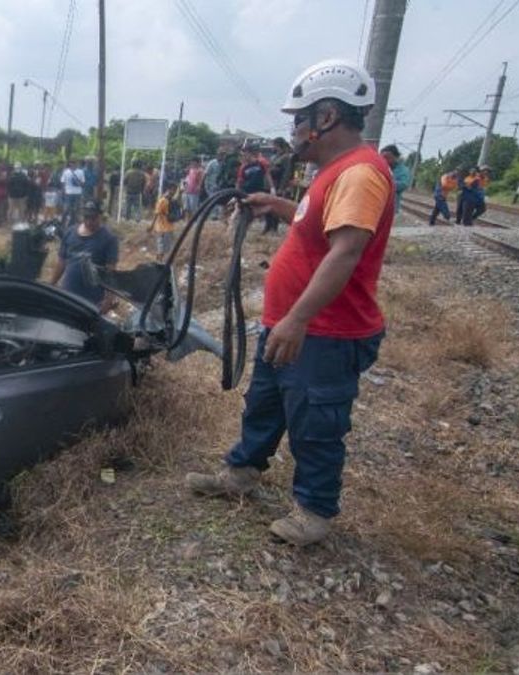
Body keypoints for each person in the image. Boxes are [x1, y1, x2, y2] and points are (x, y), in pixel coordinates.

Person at [185, 59, 394, 547]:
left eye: (298, 119)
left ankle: (314, 512)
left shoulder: (360, 174)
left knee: (316, 423)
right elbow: (318, 227)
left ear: (325, 117)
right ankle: (241, 472)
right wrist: (278, 207)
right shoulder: (334, 171)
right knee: (265, 404)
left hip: (325, 332)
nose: (294, 131)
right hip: (293, 324)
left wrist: (298, 320)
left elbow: (345, 252)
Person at [50, 199, 119, 310]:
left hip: (92, 300)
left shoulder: (109, 239)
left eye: (93, 218)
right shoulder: (70, 232)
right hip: (68, 295)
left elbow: (110, 271)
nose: (89, 221)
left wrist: (108, 299)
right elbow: (61, 263)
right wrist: (51, 285)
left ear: (100, 216)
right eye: (86, 217)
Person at [237, 146, 277, 231]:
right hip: (246, 193)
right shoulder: (243, 167)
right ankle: (241, 229)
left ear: (250, 154)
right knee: (244, 211)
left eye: (245, 154)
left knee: (265, 209)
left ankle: (269, 228)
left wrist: (272, 187)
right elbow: (239, 182)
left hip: (259, 191)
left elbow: (267, 174)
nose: (243, 157)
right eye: (242, 155)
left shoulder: (260, 163)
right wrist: (236, 193)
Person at [379, 145, 411, 215]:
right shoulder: (380, 167)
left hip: (391, 208)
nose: (384, 160)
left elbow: (403, 184)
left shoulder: (403, 170)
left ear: (396, 157)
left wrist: (383, 182)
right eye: (382, 157)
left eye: (387, 157)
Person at [152, 183, 181, 260]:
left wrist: (152, 226)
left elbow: (156, 214)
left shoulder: (162, 200)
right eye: (174, 190)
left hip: (161, 228)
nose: (174, 192)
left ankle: (159, 262)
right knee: (165, 249)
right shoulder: (172, 200)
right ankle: (160, 262)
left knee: (161, 248)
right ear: (170, 189)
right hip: (169, 228)